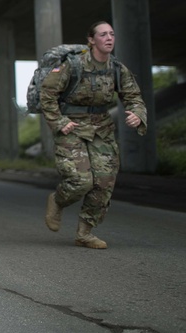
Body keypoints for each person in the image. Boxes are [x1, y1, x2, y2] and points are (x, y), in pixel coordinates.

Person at [40, 21, 146, 249]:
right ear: (91, 40)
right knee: (80, 181)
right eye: (103, 34)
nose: (109, 38)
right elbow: (47, 95)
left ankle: (84, 233)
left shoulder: (117, 69)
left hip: (102, 129)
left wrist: (137, 114)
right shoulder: (73, 65)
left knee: (104, 182)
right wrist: (59, 121)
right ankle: (57, 200)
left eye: (112, 34)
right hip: (72, 127)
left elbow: (133, 96)